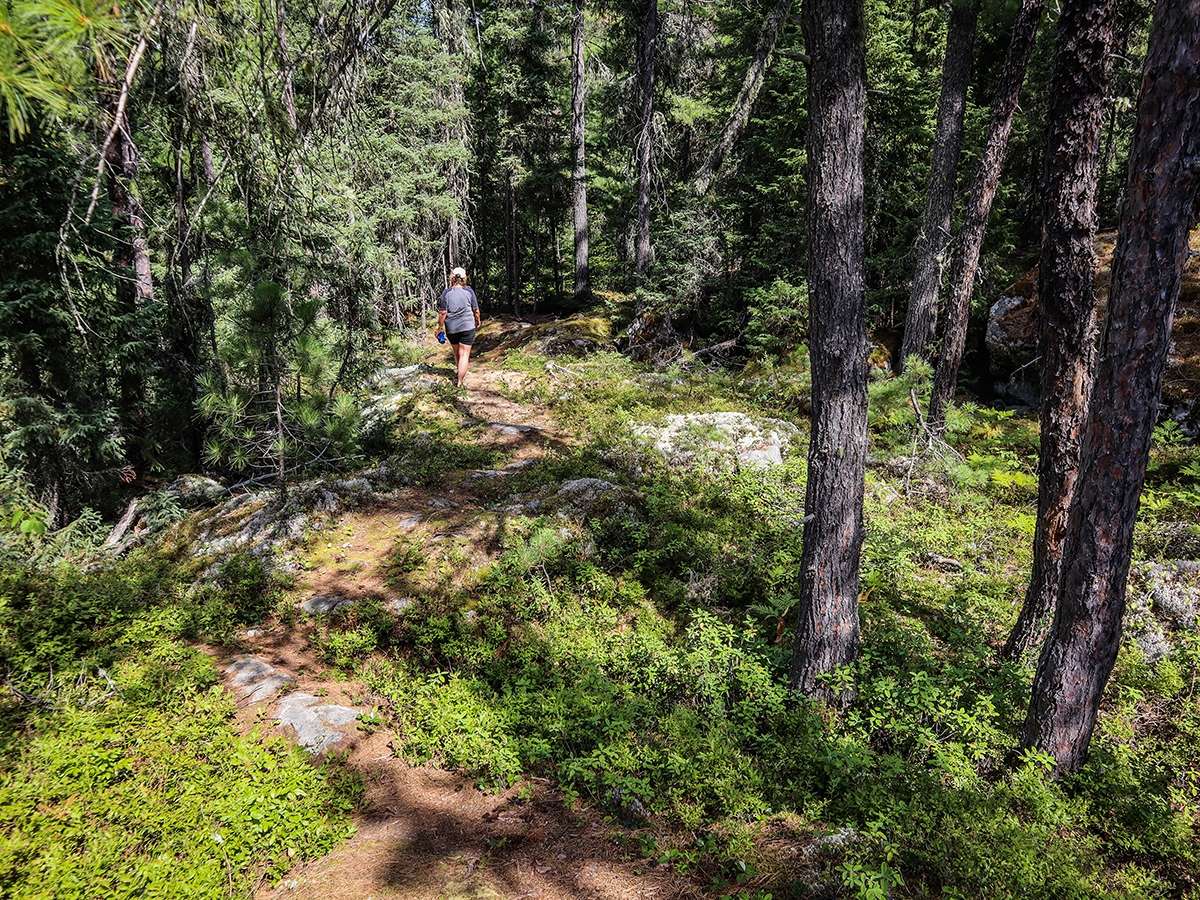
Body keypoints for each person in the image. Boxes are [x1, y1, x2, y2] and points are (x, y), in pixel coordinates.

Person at [437, 266, 482, 387]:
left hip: (451, 328)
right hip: (467, 326)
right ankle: (460, 381)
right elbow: (475, 310)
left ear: (452, 278)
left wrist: (439, 328)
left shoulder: (446, 293)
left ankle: (459, 374)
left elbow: (442, 313)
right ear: (464, 278)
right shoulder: (469, 291)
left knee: (457, 353)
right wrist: (477, 320)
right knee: (465, 354)